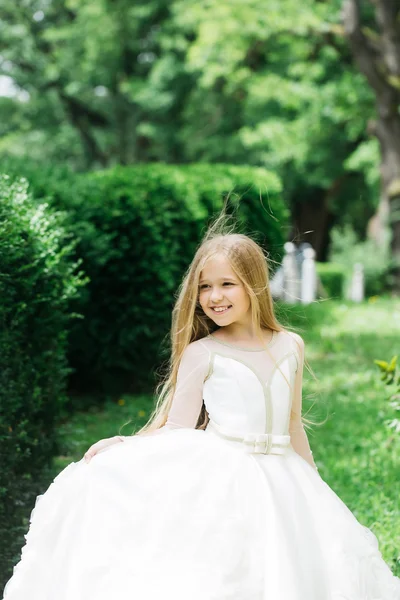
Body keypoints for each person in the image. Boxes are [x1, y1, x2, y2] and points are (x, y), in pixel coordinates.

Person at [3, 219, 400, 600]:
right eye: (205, 287)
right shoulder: (202, 353)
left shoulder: (290, 345)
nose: (214, 297)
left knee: (299, 569)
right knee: (229, 572)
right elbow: (176, 426)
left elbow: (294, 425)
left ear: (255, 286)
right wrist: (126, 444)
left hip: (285, 476)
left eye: (227, 284)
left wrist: (314, 486)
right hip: (226, 475)